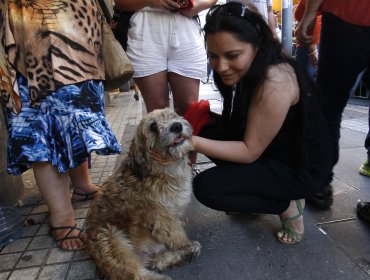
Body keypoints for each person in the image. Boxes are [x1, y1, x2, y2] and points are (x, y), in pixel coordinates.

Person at [189, 2, 332, 244]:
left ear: (257, 45)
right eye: (214, 56)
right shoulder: (252, 69)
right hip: (274, 151)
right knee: (204, 126)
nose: (221, 66)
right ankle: (257, 191)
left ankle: (287, 204)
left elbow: (248, 151)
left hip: (300, 168)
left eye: (232, 55)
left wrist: (188, 142)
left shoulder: (275, 79)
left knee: (207, 187)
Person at [0, 1, 121, 250]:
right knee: (42, 125)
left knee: (75, 116)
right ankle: (62, 218)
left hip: (76, 25)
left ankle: (82, 186)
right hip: (31, 22)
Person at [296, 0, 370, 209]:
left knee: (329, 106)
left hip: (347, 15)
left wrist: (309, 15)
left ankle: (319, 184)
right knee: (328, 105)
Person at [114, 0, 217, 116]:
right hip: (145, 28)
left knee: (189, 111)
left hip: (186, 28)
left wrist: (198, 5)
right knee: (158, 113)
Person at [294, 0, 321, 79]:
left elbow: (317, 16)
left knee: (307, 82)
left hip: (311, 44)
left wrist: (313, 49)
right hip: (308, 44)